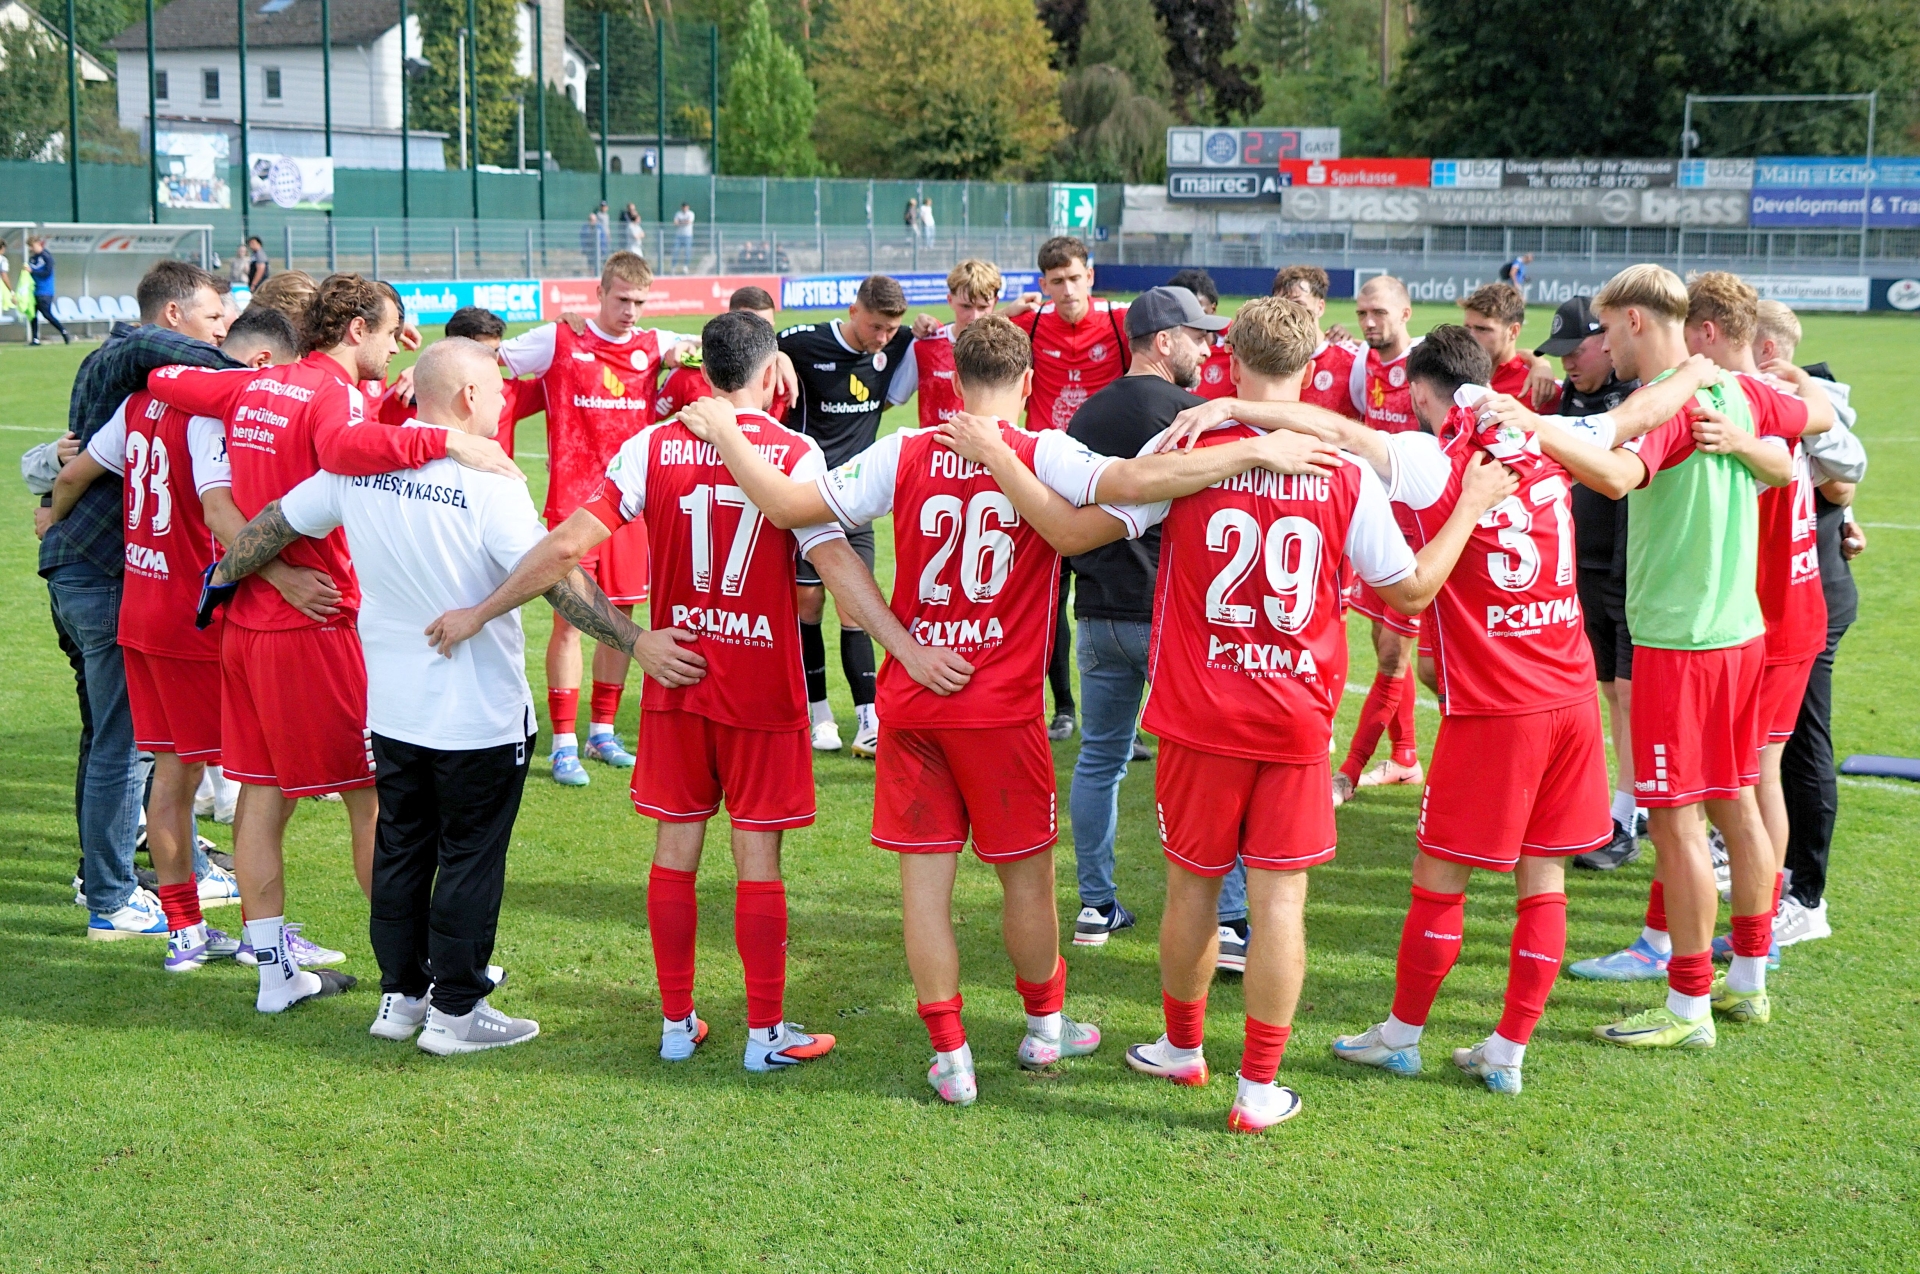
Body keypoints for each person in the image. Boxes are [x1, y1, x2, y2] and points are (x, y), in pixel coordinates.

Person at [678, 314, 1336, 1106]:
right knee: (1026, 883)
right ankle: (1044, 1028)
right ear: (1028, 383)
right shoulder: (1043, 450)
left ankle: (951, 1056)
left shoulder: (904, 450)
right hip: (1003, 710)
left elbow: (789, 507)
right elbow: (1131, 486)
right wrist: (1251, 449)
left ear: (954, 380)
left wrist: (728, 431)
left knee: (925, 890)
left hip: (917, 699)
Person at [948, 299, 1514, 1131]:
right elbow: (1413, 590)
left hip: (1199, 712)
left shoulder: (1188, 449)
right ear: (1314, 366)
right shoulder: (1341, 470)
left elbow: (1071, 531)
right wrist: (1470, 505)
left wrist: (1001, 457)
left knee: (1192, 890)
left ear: (1230, 364)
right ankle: (1257, 1087)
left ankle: (1183, 1048)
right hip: (1295, 716)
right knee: (1280, 904)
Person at [431, 313, 967, 1069]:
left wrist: (596, 633)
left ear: (704, 371)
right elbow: (838, 568)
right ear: (772, 372)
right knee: (758, 861)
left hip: (676, 678)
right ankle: (765, 1034)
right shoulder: (794, 453)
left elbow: (563, 549)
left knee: (675, 851)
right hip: (762, 690)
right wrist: (905, 650)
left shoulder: (651, 446)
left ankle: (677, 1025)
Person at [1323, 326, 1698, 1095]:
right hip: (1570, 695)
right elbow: (1639, 414)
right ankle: (1507, 1051)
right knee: (1543, 876)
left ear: (1420, 392)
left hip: (1497, 704)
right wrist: (1696, 368)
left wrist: (1231, 408)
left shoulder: (1433, 457)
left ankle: (1400, 1036)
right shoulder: (1547, 435)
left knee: (1439, 874)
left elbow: (1339, 433)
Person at [149, 273, 520, 1013]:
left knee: (261, 796)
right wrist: (446, 437)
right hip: (312, 623)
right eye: (388, 331)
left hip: (246, 623)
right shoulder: (331, 395)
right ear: (356, 330)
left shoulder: (253, 384)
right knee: (373, 801)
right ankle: (424, 971)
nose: (396, 345)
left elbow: (166, 379)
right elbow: (346, 448)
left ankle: (273, 975)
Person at [1483, 264, 1803, 1049]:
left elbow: (1618, 476)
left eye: (1603, 328)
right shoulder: (1737, 388)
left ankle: (1687, 1006)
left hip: (1679, 643)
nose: (1600, 344)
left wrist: (1534, 428)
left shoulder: (1666, 401)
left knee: (1676, 822)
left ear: (1634, 320)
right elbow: (1804, 424)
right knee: (1736, 804)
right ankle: (1748, 980)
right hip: (1738, 632)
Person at [48, 305, 301, 966]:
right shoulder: (211, 412)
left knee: (170, 771)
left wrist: (53, 519)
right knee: (259, 774)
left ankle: (186, 931)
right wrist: (283, 576)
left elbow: (71, 475)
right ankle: (263, 939)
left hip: (139, 606)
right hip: (194, 615)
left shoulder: (140, 403)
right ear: (261, 364)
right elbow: (219, 512)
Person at [1048, 286, 1251, 968]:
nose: (1208, 349)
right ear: (1164, 341)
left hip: (1096, 614)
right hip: (1170, 618)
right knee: (1205, 766)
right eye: (1198, 336)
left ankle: (1095, 904)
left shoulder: (1086, 413)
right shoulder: (1193, 415)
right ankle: (1229, 919)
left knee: (1099, 761)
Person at [42, 259, 241, 940]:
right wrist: (275, 380)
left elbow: (73, 469)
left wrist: (52, 513)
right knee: (126, 743)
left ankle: (119, 873)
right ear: (173, 316)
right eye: (213, 317)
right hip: (104, 574)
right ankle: (110, 896)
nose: (221, 331)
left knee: (119, 736)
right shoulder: (135, 350)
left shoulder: (136, 381)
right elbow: (181, 355)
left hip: (85, 568)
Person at [1680, 274, 1836, 969]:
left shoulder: (1741, 401)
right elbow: (1823, 420)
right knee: (1752, 778)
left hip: (1768, 620)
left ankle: (1755, 931)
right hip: (1791, 609)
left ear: (1708, 331)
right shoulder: (1779, 398)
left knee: (1748, 781)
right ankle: (1754, 927)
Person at [496, 251, 695, 785]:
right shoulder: (559, 339)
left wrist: (775, 358)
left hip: (631, 511)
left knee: (621, 619)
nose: (631, 311)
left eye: (640, 302)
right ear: (600, 294)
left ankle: (602, 732)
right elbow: (490, 358)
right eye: (622, 299)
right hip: (573, 510)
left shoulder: (655, 345)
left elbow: (710, 349)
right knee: (569, 621)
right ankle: (564, 742)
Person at [1753, 302, 1867, 945]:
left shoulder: (1810, 395)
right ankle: (1759, 863)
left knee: (1800, 746)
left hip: (1812, 600)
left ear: (1767, 350)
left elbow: (1844, 482)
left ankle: (1806, 896)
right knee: (1767, 751)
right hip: (1788, 599)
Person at [1529, 295, 1645, 876]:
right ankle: (1626, 804)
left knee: (1630, 694)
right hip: (1582, 571)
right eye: (1559, 353)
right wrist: (1540, 367)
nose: (1568, 361)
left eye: (1576, 349)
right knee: (1609, 690)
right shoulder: (1567, 393)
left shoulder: (1635, 398)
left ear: (1607, 339)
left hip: (1627, 574)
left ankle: (1629, 816)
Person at [777, 275, 915, 757]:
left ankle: (869, 720)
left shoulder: (899, 343)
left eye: (891, 329)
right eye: (876, 327)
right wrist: (776, 357)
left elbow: (954, 331)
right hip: (808, 500)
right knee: (808, 605)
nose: (883, 337)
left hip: (857, 503)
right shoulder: (802, 342)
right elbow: (751, 343)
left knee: (857, 608)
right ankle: (819, 716)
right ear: (854, 311)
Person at [1010, 237, 1130, 740]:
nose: (1067, 289)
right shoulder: (1031, 324)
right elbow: (968, 336)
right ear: (1043, 285)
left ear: (1090, 277)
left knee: (1119, 602)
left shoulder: (1120, 321)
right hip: (1046, 484)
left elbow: (1191, 334)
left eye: (1075, 278)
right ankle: (1063, 707)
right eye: (1056, 281)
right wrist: (1005, 310)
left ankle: (1126, 723)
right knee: (1049, 602)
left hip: (1107, 481)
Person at [890, 260, 1004, 430]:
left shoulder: (1005, 349)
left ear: (995, 302)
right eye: (966, 306)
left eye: (983, 307)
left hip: (985, 447)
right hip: (934, 446)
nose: (974, 316)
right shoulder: (924, 345)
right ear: (950, 300)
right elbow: (894, 397)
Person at [652, 287, 790, 422]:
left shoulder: (782, 375)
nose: (759, 337)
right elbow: (645, 416)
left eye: (767, 329)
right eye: (750, 328)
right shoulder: (687, 376)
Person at [1272, 264, 1364, 420]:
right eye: (1281, 305)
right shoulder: (1267, 359)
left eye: (1299, 304)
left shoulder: (1353, 361)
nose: (1288, 314)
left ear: (1320, 307)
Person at [1458, 282, 1559, 410]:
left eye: (1482, 329)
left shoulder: (1540, 389)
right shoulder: (1453, 375)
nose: (1470, 336)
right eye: (1467, 327)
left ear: (1513, 331)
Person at [1168, 269, 1235, 400]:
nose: (1190, 319)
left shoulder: (1237, 350)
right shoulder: (1160, 350)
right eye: (1180, 312)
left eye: (1198, 310)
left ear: (1213, 309)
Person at [27, 237, 71, 346]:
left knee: (46, 314)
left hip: (45, 291)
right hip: (34, 291)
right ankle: (35, 339)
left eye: (32, 246)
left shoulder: (46, 257)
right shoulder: (32, 259)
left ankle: (63, 331)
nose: (31, 249)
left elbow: (47, 272)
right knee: (33, 315)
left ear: (38, 244)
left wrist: (33, 271)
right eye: (30, 247)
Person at [673, 203, 697, 273]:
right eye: (683, 207)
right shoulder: (678, 214)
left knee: (687, 252)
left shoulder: (691, 214)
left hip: (688, 235)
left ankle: (685, 266)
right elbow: (675, 222)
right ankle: (673, 266)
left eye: (686, 207)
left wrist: (680, 222)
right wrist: (683, 222)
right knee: (676, 251)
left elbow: (689, 222)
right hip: (679, 235)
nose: (684, 209)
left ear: (688, 207)